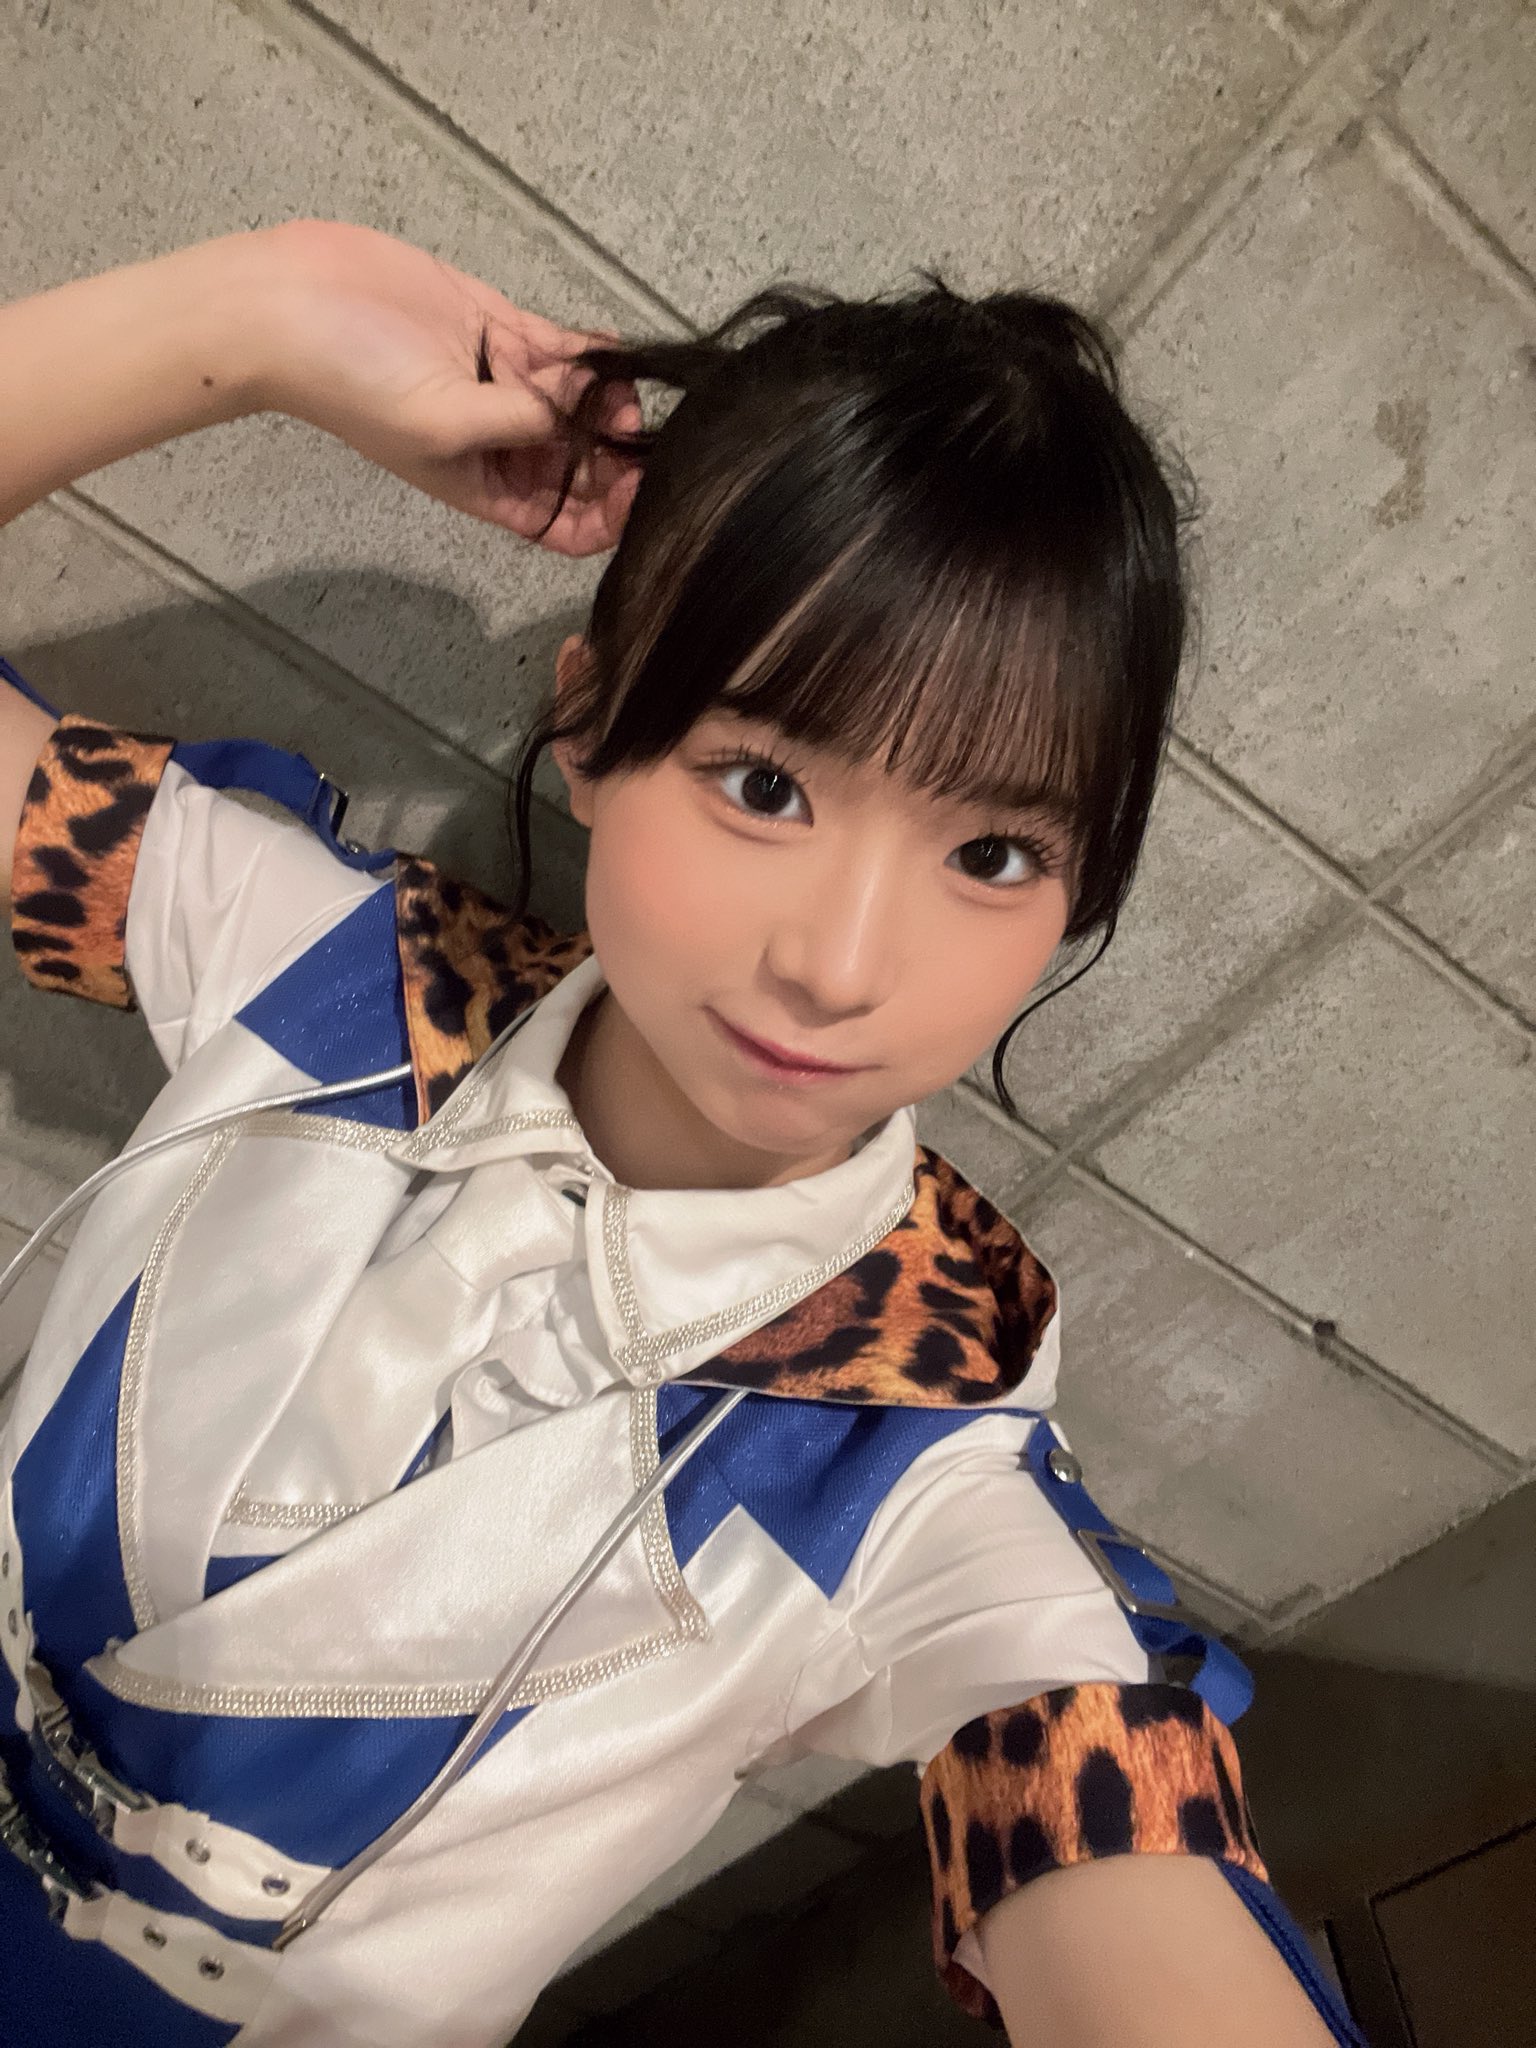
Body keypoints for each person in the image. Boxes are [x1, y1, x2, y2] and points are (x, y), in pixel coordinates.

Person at [0, 221, 1360, 2048]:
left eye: (993, 853)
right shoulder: (324, 970)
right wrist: (257, 316)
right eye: (765, 782)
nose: (841, 966)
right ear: (589, 726)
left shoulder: (907, 1473)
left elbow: (1105, 1824)